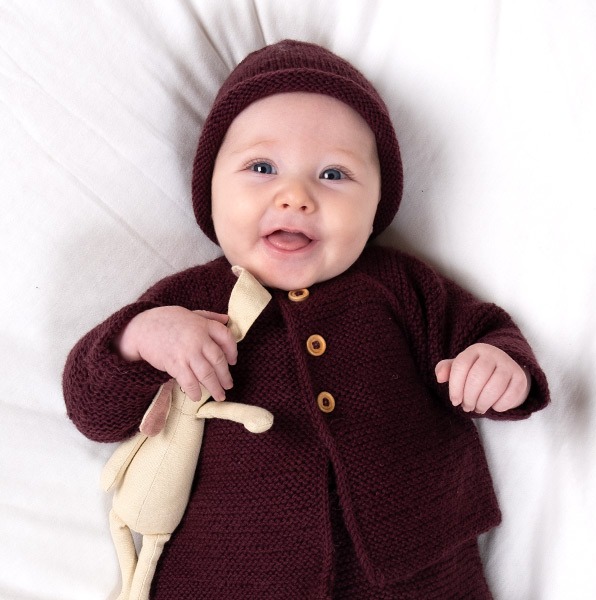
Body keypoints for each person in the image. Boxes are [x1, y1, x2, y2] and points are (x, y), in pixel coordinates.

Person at [63, 39, 550, 599]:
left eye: (334, 174)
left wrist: (498, 365)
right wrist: (140, 338)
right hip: (227, 578)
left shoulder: (401, 287)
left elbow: (484, 331)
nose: (294, 196)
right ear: (210, 192)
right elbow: (91, 408)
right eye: (261, 167)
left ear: (376, 207)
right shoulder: (188, 302)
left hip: (420, 570)